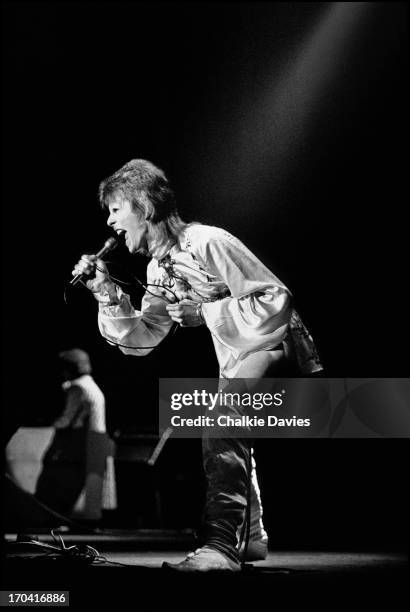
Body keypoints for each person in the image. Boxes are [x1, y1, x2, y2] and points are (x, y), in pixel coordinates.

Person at [72, 159, 322, 572]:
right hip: (237, 354)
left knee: (222, 421)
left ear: (145, 207)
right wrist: (107, 291)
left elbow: (275, 298)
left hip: (276, 343)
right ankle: (250, 538)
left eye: (116, 209)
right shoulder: (157, 268)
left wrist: (205, 314)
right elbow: (144, 337)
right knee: (231, 431)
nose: (110, 221)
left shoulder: (207, 241)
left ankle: (221, 546)